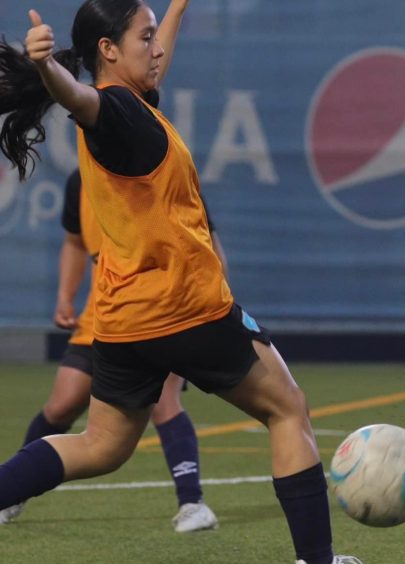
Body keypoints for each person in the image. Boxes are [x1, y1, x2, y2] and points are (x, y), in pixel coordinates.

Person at [0, 2, 360, 562]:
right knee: (287, 409)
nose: (158, 47)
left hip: (123, 321)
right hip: (186, 308)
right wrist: (47, 69)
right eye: (145, 37)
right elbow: (81, 98)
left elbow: (126, 77)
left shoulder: (134, 103)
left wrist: (177, 8)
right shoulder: (113, 110)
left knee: (100, 448)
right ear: (108, 50)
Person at [0, 170, 222, 532]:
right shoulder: (80, 181)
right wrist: (65, 296)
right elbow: (74, 241)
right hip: (105, 313)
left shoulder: (159, 169)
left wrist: (203, 311)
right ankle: (13, 492)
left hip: (163, 308)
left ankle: (192, 504)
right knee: (62, 402)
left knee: (164, 403)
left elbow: (207, 241)